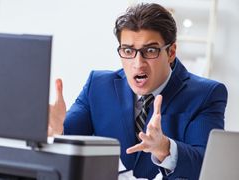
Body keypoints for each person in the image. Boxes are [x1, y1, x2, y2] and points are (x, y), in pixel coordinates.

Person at [48, 3, 228, 180]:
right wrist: (57, 131)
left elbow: (207, 166)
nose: (138, 63)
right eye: (128, 50)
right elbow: (70, 142)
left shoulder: (207, 94)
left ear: (171, 52)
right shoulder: (97, 86)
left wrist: (165, 148)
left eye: (150, 50)